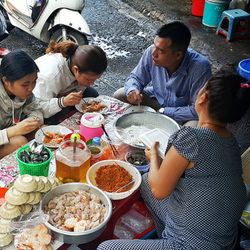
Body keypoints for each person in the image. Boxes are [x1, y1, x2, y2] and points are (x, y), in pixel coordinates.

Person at [97, 70, 250, 249]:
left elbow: (159, 191)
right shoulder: (230, 141)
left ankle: (169, 242)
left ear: (202, 98)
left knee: (105, 248)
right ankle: (164, 238)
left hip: (189, 245)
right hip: (222, 237)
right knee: (145, 181)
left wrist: (154, 157)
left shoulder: (191, 137)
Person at [114, 21, 212, 126]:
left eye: (160, 51)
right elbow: (136, 78)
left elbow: (199, 109)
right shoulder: (151, 52)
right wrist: (133, 90)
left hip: (184, 114)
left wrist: (163, 112)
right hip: (157, 102)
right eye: (155, 46)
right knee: (120, 94)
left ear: (178, 55)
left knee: (193, 129)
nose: (153, 53)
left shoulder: (200, 67)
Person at [33, 40, 107, 125]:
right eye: (89, 80)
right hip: (37, 105)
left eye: (95, 79)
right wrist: (62, 102)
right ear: (76, 70)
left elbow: (80, 87)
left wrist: (72, 92)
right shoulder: (50, 77)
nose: (92, 83)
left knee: (92, 94)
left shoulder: (75, 63)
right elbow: (37, 109)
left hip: (60, 94)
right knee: (63, 113)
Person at [0, 50, 43, 159]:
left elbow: (36, 109)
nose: (31, 88)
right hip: (5, 136)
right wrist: (14, 130)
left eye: (34, 81)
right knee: (20, 142)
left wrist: (32, 121)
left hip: (10, 133)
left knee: (43, 131)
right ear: (6, 81)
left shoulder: (23, 91)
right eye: (25, 84)